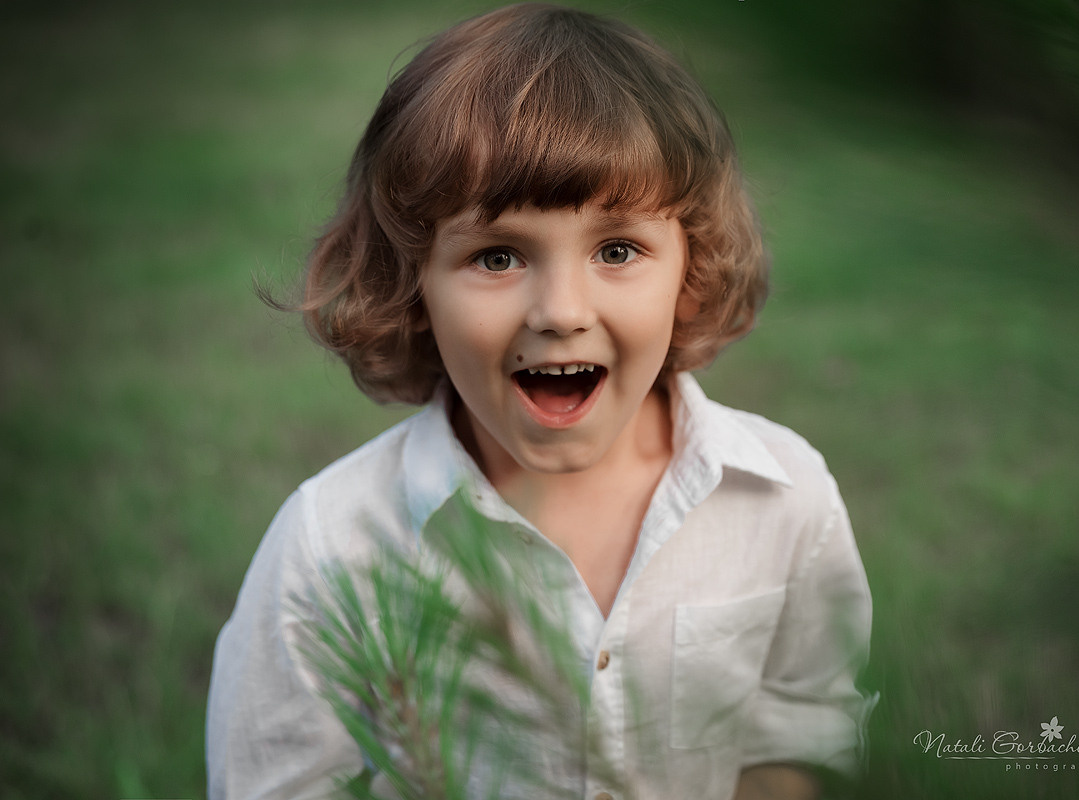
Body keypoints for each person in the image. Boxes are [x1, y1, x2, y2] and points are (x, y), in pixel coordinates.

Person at [206, 4, 875, 799]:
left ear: (690, 268)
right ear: (412, 286)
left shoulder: (783, 500)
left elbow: (799, 742)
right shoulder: (334, 545)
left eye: (617, 249)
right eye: (497, 257)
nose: (561, 312)